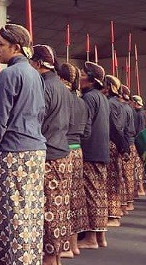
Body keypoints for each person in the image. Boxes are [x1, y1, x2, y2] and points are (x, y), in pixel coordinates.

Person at [0, 24, 46, 265]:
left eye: (1, 44)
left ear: (15, 47)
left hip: (13, 152)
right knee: (29, 212)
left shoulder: (9, 75)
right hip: (35, 149)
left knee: (11, 214)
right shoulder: (34, 75)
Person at [29, 45, 72, 265]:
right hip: (63, 151)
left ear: (37, 63)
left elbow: (36, 120)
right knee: (60, 207)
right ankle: (55, 256)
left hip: (48, 154)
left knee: (47, 208)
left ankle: (48, 256)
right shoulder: (64, 89)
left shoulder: (43, 88)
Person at [77, 61, 110, 250]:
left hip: (90, 151)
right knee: (98, 194)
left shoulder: (89, 98)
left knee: (91, 195)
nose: (79, 76)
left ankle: (90, 238)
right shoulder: (101, 98)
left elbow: (86, 128)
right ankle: (100, 237)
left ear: (90, 79)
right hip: (101, 151)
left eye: (82, 73)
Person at [57, 63, 89, 259]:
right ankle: (74, 245)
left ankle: (65, 246)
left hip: (63, 150)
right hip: (78, 151)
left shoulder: (62, 98)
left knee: (61, 200)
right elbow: (87, 131)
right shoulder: (81, 101)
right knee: (76, 198)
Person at [103, 75, 131, 228]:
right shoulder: (117, 103)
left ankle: (113, 216)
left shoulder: (111, 103)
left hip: (112, 143)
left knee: (112, 181)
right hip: (116, 143)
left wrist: (122, 146)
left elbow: (115, 127)